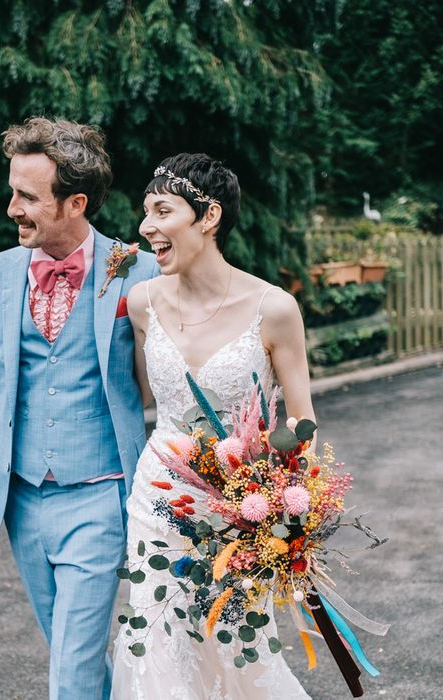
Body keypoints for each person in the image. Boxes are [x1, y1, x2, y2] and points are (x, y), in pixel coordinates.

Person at [0, 116, 158, 700]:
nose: (11, 207)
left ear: (75, 202)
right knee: (72, 652)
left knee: (71, 664)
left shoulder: (136, 269)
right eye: (12, 190)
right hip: (23, 502)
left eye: (27, 196)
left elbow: (170, 375)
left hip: (101, 490)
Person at [111, 153, 315, 698]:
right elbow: (143, 395)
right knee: (156, 638)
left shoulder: (273, 309)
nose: (145, 227)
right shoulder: (142, 303)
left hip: (238, 507)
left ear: (208, 217)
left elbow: (301, 419)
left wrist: (284, 503)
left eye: (161, 211)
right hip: (157, 498)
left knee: (235, 640)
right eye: (144, 213)